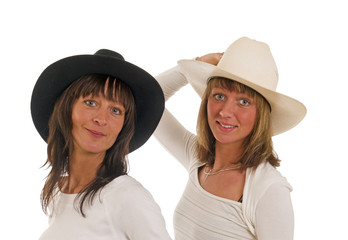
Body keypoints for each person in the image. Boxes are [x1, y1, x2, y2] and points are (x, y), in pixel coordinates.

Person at [154, 37, 306, 239]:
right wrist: (190, 66)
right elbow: (146, 103)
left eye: (243, 101)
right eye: (219, 96)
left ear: (261, 114)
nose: (226, 111)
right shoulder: (197, 159)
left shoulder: (268, 189)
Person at [31, 49, 172, 239]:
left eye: (115, 110)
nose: (101, 119)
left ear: (124, 126)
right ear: (67, 109)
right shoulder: (59, 191)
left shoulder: (127, 197)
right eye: (90, 103)